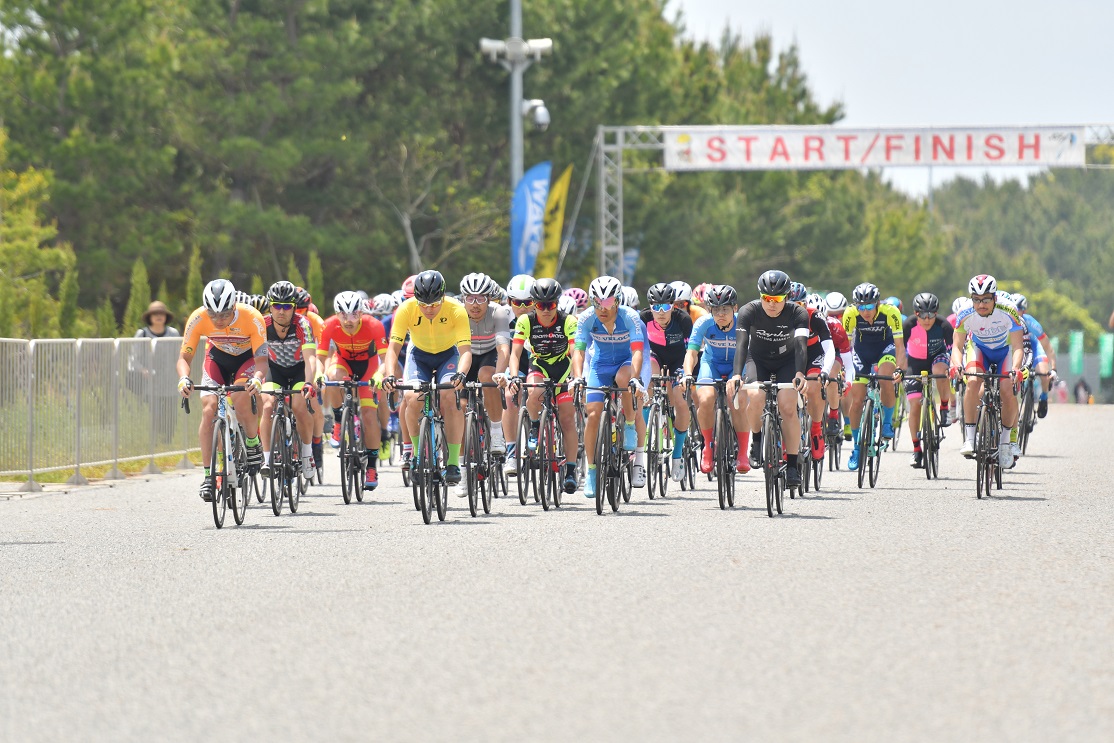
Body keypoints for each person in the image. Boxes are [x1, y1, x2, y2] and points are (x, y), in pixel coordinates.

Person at [177, 279, 269, 502]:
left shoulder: (252, 317)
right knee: (209, 410)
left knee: (239, 398)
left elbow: (262, 360)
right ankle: (209, 476)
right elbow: (184, 357)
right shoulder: (198, 318)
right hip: (217, 359)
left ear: (234, 306)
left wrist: (257, 379)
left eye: (225, 315)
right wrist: (183, 378)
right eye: (213, 315)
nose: (218, 320)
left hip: (247, 360)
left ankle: (252, 441)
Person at [377, 270, 471, 485]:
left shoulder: (456, 309)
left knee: (449, 396)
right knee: (412, 397)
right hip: (419, 356)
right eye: (424, 304)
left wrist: (461, 374)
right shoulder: (406, 309)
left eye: (435, 304)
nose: (429, 309)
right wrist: (390, 374)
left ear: (443, 297)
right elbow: (393, 349)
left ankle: (454, 462)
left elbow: (465, 350)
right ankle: (417, 454)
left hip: (448, 354)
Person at [730, 270, 810, 487]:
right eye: (766, 298)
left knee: (787, 406)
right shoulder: (749, 311)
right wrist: (737, 374)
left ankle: (792, 465)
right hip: (757, 359)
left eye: (776, 299)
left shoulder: (798, 314)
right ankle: (756, 440)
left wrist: (800, 374)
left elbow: (801, 347)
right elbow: (741, 345)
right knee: (755, 395)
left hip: (787, 361)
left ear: (787, 297)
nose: (771, 304)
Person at [502, 278, 580, 494]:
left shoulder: (569, 321)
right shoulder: (525, 321)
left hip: (563, 368)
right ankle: (535, 426)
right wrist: (515, 376)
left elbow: (575, 353)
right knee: (534, 391)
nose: (545, 310)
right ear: (534, 304)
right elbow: (515, 353)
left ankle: (571, 471)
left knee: (566, 419)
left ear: (557, 303)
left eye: (551, 305)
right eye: (540, 305)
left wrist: (576, 377)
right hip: (540, 365)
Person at [571, 276, 644, 500]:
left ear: (618, 301)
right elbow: (579, 351)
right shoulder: (586, 318)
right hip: (600, 365)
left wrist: (636, 378)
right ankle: (591, 472)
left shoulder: (630, 317)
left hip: (624, 362)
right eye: (596, 302)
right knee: (592, 414)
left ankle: (629, 424)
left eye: (607, 302)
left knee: (625, 379)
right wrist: (577, 377)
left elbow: (637, 351)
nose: (602, 308)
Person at [951, 274, 1025, 468]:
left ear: (994, 298)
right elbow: (957, 347)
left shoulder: (1008, 310)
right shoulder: (965, 312)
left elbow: (1018, 346)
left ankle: (1006, 442)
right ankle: (969, 438)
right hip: (979, 350)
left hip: (1004, 352)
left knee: (1007, 390)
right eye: (976, 299)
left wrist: (1016, 369)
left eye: (985, 299)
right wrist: (957, 366)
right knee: (973, 382)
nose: (981, 304)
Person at [317, 291, 388, 489]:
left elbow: (386, 358)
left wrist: (379, 375)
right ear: (336, 314)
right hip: (343, 362)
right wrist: (318, 374)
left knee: (368, 415)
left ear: (361, 313)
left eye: (354, 314)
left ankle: (372, 467)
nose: (349, 320)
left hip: (369, 366)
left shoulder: (374, 325)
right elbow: (320, 358)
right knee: (331, 378)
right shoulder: (329, 324)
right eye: (343, 315)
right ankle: (339, 421)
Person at [683, 284, 751, 475]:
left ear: (735, 309)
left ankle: (743, 453)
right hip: (711, 364)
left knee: (736, 400)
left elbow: (751, 354)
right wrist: (688, 374)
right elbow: (692, 353)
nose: (720, 314)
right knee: (705, 399)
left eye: (725, 309)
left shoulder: (744, 323)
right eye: (715, 309)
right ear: (709, 309)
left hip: (736, 366)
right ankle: (707, 446)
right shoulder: (703, 323)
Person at [842, 282, 907, 471]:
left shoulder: (891, 312)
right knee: (856, 401)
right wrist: (845, 371)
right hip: (861, 353)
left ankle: (887, 422)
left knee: (885, 377)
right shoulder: (850, 314)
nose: (865, 311)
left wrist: (900, 369)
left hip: (885, 349)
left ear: (877, 303)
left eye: (869, 306)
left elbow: (900, 346)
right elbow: (846, 347)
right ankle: (856, 448)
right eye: (861, 307)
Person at [258, 281, 318, 477]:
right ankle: (267, 459)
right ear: (270, 306)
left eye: (286, 307)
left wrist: (309, 381)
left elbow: (310, 358)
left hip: (299, 371)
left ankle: (307, 453)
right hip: (275, 371)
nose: (281, 311)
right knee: (267, 406)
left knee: (300, 406)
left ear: (294, 308)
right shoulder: (262, 325)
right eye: (276, 305)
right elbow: (254, 357)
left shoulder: (302, 324)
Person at [641, 282, 693, 481]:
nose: (660, 312)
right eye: (656, 307)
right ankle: (645, 439)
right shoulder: (643, 318)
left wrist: (684, 373)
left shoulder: (683, 320)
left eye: (665, 307)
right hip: (654, 355)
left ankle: (677, 454)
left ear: (673, 306)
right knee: (648, 385)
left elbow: (690, 351)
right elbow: (639, 349)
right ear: (650, 307)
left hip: (678, 359)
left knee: (679, 400)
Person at [459, 272, 513, 456]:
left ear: (489, 299)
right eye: (470, 298)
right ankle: (461, 464)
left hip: (489, 354)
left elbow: (504, 348)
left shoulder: (498, 312)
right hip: (464, 355)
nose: (475, 304)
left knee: (487, 376)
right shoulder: (457, 314)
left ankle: (497, 432)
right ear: (463, 299)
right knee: (461, 404)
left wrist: (500, 374)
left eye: (480, 298)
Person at [903, 292, 954, 468]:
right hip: (915, 364)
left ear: (936, 313)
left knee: (940, 370)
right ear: (915, 313)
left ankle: (945, 407)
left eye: (931, 314)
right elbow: (899, 350)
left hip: (937, 357)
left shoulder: (944, 325)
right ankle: (917, 450)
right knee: (915, 404)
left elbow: (953, 351)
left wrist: (955, 368)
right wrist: (898, 369)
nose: (926, 319)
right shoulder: (908, 325)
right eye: (922, 315)